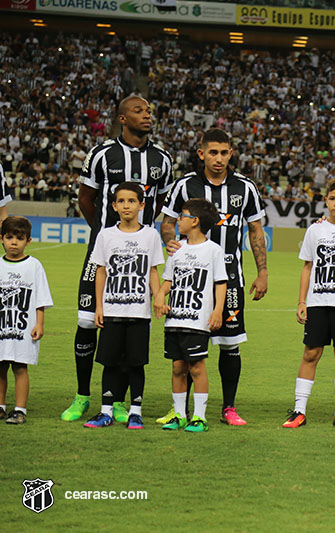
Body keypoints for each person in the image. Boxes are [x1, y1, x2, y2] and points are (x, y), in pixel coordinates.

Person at [62, 95, 173, 423]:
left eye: (150, 111)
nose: (147, 116)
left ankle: (120, 402)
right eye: (139, 111)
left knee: (129, 325)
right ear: (122, 118)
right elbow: (86, 198)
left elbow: (162, 205)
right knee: (86, 322)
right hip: (103, 253)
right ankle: (83, 396)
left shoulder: (162, 159)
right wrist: (105, 235)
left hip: (140, 261)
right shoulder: (101, 153)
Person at [160, 128, 268, 426]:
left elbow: (256, 231)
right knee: (187, 348)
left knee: (230, 343)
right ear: (201, 153)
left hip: (230, 277)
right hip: (189, 282)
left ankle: (228, 407)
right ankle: (181, 410)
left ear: (231, 153)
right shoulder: (185, 185)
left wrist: (263, 271)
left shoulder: (245, 187)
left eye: (224, 152)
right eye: (213, 152)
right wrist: (170, 240)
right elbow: (168, 223)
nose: (218, 158)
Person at [282, 177, 335, 430]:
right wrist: (302, 301)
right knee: (311, 353)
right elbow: (307, 267)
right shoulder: (315, 230)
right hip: (318, 302)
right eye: (333, 199)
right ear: (325, 200)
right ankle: (299, 411)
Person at [83, 183, 164, 429]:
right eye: (121, 201)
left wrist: (158, 295)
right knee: (110, 362)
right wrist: (99, 306)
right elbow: (101, 272)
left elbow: (152, 270)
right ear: (114, 205)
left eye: (131, 201)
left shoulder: (150, 235)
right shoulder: (106, 235)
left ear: (142, 205)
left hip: (139, 312)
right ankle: (106, 410)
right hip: (112, 310)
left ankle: (135, 412)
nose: (126, 205)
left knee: (136, 363)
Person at [154, 199, 227, 433]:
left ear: (195, 221)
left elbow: (220, 283)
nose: (178, 220)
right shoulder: (177, 249)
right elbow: (168, 281)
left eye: (182, 216)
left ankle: (199, 416)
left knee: (196, 367)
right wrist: (160, 296)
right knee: (177, 367)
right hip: (175, 318)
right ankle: (179, 415)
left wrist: (217, 311)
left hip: (198, 319)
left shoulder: (213, 250)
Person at [0, 216, 53, 425]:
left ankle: (20, 409)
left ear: (28, 241)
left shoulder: (34, 266)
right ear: (1, 239)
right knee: (0, 366)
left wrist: (39, 323)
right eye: (9, 237)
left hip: (23, 327)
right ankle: (1, 406)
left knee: (20, 367)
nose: (14, 242)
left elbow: (40, 298)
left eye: (19, 238)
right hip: (2, 326)